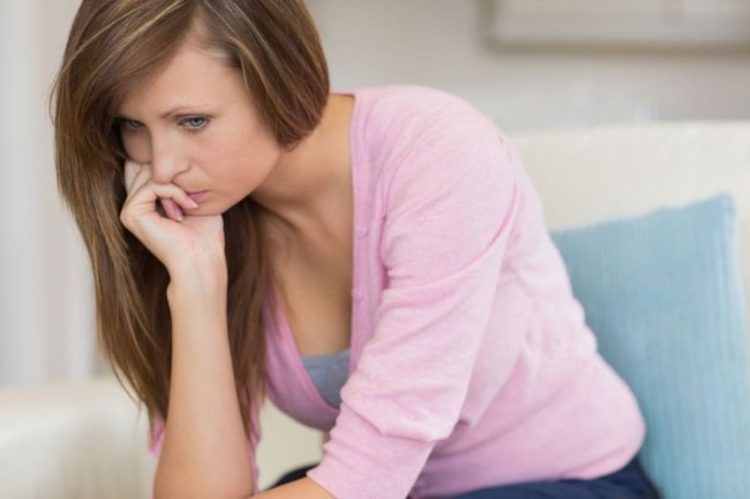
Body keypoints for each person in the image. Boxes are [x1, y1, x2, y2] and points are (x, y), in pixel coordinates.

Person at [51, 1, 661, 498]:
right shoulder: (207, 220)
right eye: (133, 126)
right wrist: (195, 283)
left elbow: (367, 480)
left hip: (568, 483)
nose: (161, 166)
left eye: (192, 122)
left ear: (277, 75)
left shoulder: (440, 155)